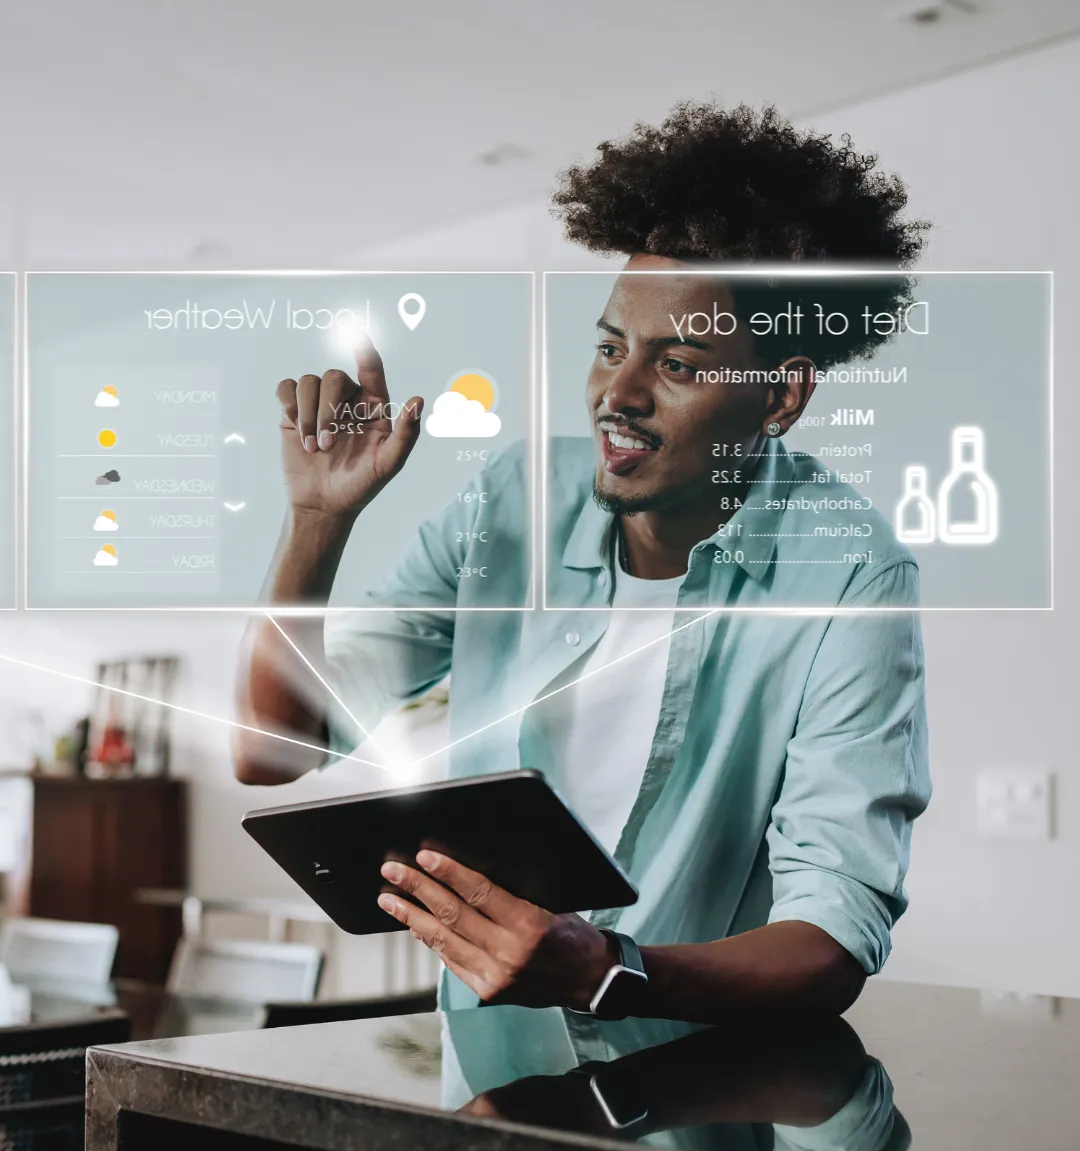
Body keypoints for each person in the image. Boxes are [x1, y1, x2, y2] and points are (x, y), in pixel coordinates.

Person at [234, 101, 931, 1027]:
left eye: (677, 364)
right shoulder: (515, 499)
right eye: (610, 347)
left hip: (701, 1105)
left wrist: (609, 973)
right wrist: (317, 525)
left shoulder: (849, 575)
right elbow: (271, 751)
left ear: (780, 394)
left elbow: (833, 936)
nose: (619, 395)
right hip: (487, 1082)